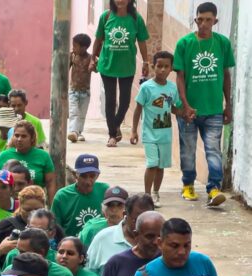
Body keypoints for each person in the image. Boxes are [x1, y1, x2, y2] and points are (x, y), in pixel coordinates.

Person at [173, 2, 234, 206]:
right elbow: (180, 77)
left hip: (214, 109)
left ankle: (214, 188)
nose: (204, 23)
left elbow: (226, 75)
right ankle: (188, 185)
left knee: (213, 150)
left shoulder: (223, 43)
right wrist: (185, 105)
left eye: (209, 19)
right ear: (195, 19)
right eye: (200, 19)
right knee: (188, 149)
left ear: (215, 21)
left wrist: (228, 105)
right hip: (189, 111)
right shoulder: (184, 43)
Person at [91, 0, 150, 147]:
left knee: (124, 102)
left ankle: (115, 125)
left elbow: (142, 41)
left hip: (127, 67)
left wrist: (146, 61)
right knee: (110, 101)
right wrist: (93, 58)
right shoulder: (106, 16)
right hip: (107, 65)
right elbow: (98, 39)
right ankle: (112, 135)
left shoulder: (136, 18)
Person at [129, 51, 181, 206]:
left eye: (166, 66)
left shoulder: (172, 88)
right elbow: (138, 109)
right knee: (152, 164)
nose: (162, 70)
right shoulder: (146, 87)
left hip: (165, 135)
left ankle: (156, 193)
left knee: (160, 166)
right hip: (149, 134)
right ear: (153, 67)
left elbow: (173, 108)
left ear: (171, 68)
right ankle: (147, 195)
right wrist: (133, 130)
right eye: (159, 66)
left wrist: (186, 113)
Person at [0, 122, 56, 202]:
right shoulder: (4, 155)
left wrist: (52, 206)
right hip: (8, 203)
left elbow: (51, 183)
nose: (19, 139)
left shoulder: (43, 156)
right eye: (16, 135)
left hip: (35, 203)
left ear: (32, 138)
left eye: (24, 136)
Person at [51, 155, 109, 238]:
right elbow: (55, 227)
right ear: (75, 175)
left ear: (97, 175)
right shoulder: (62, 196)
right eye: (84, 176)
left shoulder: (104, 191)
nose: (88, 181)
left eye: (92, 176)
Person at [68, 33, 93, 143]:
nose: (73, 48)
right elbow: (66, 68)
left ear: (84, 48)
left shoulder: (91, 58)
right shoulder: (72, 56)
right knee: (74, 112)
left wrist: (94, 65)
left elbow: (97, 69)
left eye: (75, 46)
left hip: (85, 92)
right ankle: (73, 131)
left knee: (82, 114)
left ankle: (79, 132)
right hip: (73, 90)